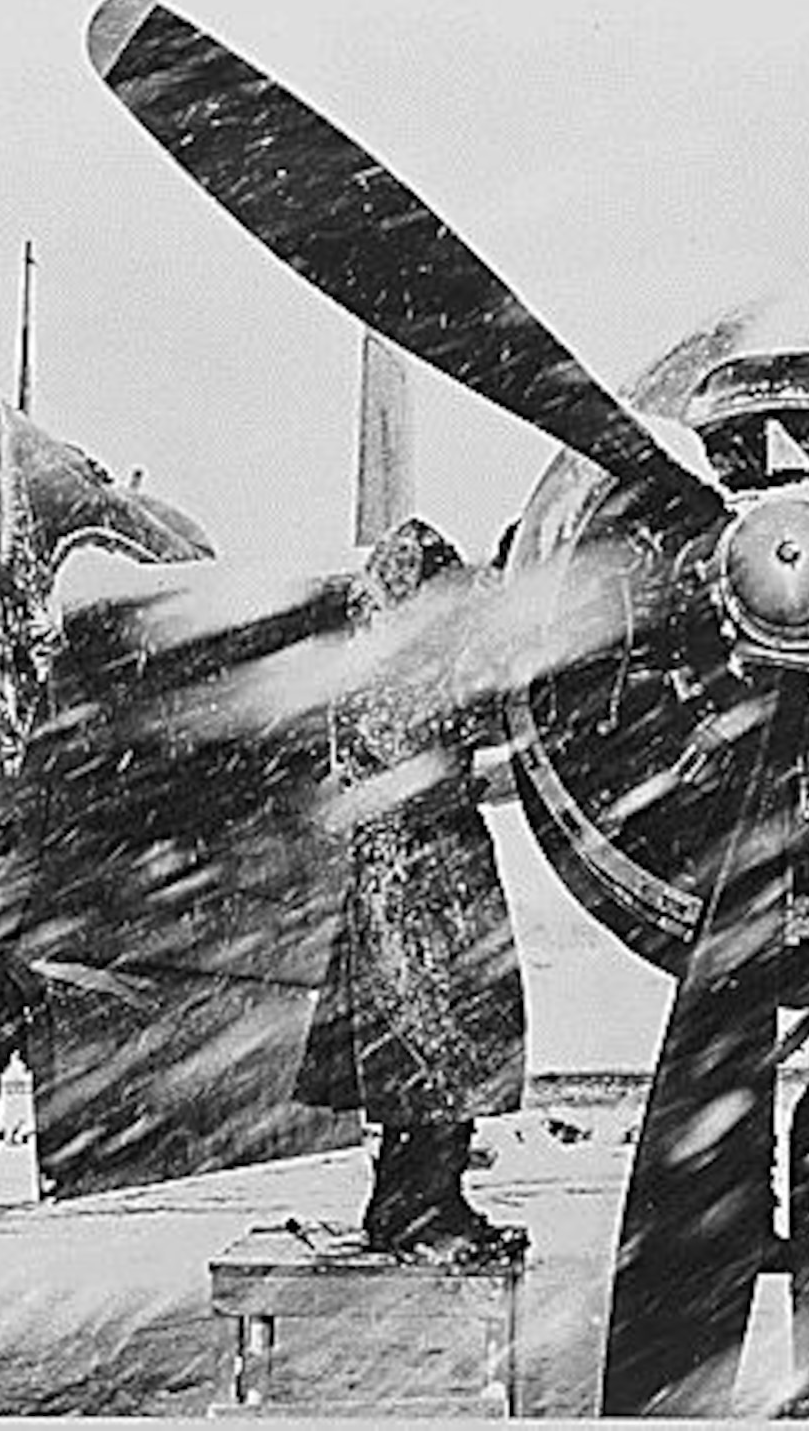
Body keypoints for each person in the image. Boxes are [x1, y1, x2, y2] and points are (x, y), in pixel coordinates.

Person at [295, 517, 528, 1255]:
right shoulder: (413, 660)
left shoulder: (381, 658)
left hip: (413, 865)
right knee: (440, 1047)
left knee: (430, 1057)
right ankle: (420, 1209)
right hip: (424, 876)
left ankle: (417, 1200)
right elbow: (451, 736)